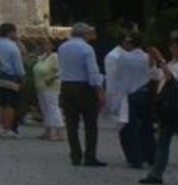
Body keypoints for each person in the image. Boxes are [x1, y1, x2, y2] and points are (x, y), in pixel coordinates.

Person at [141, 32, 178, 185]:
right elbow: (156, 75)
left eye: (174, 47)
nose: (171, 49)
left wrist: (160, 59)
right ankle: (156, 173)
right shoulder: (174, 62)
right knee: (163, 140)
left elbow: (170, 77)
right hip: (169, 106)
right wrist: (152, 60)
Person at [104, 30, 154, 169]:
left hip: (129, 95)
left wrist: (113, 98)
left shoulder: (122, 58)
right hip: (144, 93)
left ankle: (135, 157)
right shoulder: (146, 57)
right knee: (146, 126)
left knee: (129, 127)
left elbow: (118, 79)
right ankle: (150, 155)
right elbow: (152, 74)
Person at [58, 22, 106, 167]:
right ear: (85, 34)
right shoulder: (87, 48)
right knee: (90, 123)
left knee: (71, 124)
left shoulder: (62, 47)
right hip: (83, 87)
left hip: (66, 85)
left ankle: (75, 154)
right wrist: (99, 90)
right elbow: (92, 71)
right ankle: (90, 155)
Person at [0, 23, 26, 138]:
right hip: (11, 78)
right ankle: (8, 128)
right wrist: (23, 77)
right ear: (10, 32)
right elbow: (18, 66)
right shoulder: (13, 47)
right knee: (11, 105)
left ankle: (2, 127)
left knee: (1, 104)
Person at [33, 41, 64, 142]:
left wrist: (52, 78)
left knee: (53, 108)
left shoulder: (55, 57)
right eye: (43, 44)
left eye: (47, 44)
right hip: (40, 86)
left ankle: (59, 132)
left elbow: (61, 70)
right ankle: (48, 130)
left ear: (52, 45)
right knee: (45, 109)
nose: (44, 46)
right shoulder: (41, 57)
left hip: (51, 86)